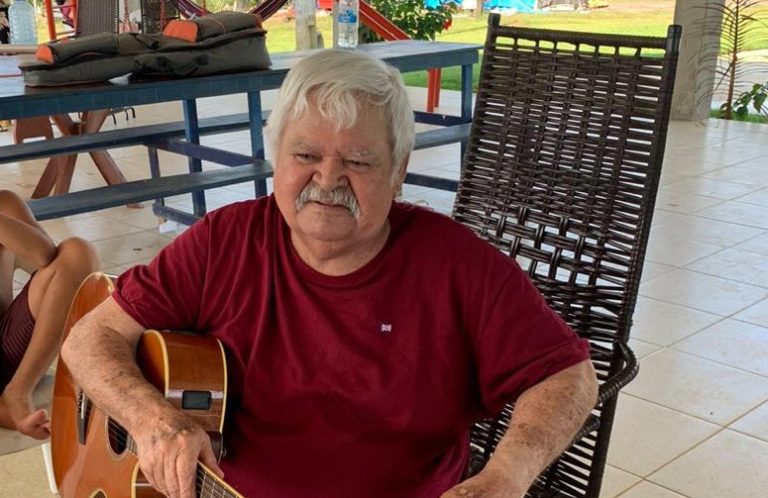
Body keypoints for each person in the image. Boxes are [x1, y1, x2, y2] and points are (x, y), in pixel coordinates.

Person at [62, 50, 598, 498]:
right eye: (306, 154)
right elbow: (89, 338)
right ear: (276, 158)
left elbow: (570, 376)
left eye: (358, 162)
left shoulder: (458, 265)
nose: (328, 179)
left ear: (399, 171)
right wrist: (151, 419)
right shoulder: (223, 241)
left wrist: (506, 476)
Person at [0, 189, 99, 439]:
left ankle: (16, 394)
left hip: (7, 347)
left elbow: (44, 256)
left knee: (78, 252)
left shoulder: (4, 204)